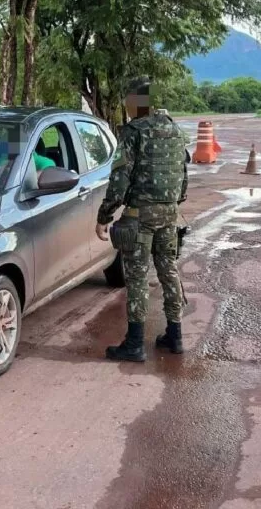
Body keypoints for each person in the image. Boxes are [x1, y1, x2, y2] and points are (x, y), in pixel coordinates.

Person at [95, 76, 189, 362]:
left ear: (137, 101)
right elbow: (183, 175)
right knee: (168, 270)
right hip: (169, 213)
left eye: (129, 100)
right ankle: (175, 336)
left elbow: (119, 178)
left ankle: (134, 343)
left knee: (137, 276)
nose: (127, 105)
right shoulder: (175, 130)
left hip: (140, 215)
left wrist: (105, 215)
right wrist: (172, 204)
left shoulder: (133, 132)